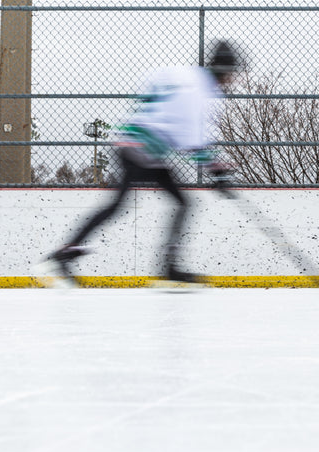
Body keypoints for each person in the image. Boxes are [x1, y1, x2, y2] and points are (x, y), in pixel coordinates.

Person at [46, 41, 239, 285]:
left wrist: (151, 116)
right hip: (140, 150)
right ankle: (64, 254)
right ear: (224, 71)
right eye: (232, 73)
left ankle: (167, 267)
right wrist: (217, 172)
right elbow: (191, 138)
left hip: (143, 148)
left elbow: (152, 88)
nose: (232, 79)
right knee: (127, 205)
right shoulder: (200, 92)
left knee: (174, 203)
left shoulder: (188, 76)